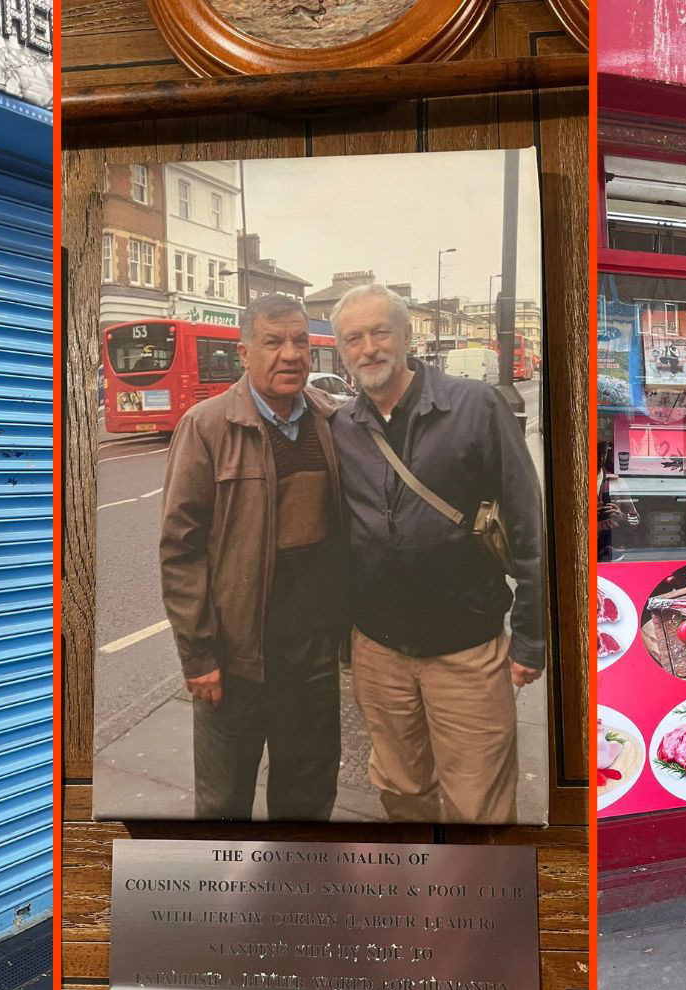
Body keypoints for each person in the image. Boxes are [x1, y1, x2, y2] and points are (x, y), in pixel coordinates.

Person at [328, 283, 545, 824]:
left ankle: (485, 902)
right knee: (400, 790)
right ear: (341, 352)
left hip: (466, 652)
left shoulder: (475, 406)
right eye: (353, 338)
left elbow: (528, 524)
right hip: (378, 652)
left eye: (380, 332)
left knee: (480, 804)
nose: (369, 348)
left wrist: (532, 636)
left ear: (406, 336)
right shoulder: (341, 427)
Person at [159, 293, 345, 820]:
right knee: (223, 806)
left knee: (308, 800)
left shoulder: (331, 423)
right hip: (236, 659)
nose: (290, 354)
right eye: (273, 341)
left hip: (312, 658)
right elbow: (179, 549)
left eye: (300, 341)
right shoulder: (207, 426)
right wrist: (198, 656)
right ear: (244, 352)